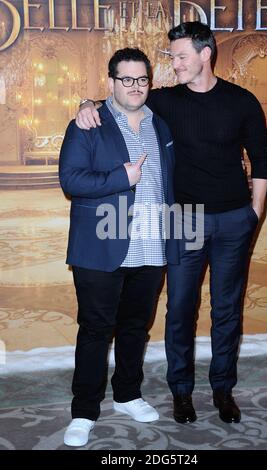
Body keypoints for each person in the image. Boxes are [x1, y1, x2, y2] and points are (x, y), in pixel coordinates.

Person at [76, 22, 267, 425]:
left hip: (234, 220)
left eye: (180, 56)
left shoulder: (242, 101)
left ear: (205, 54)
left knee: (227, 309)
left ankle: (222, 388)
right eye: (171, 57)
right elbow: (118, 101)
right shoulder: (164, 101)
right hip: (185, 221)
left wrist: (254, 213)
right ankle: (181, 391)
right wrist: (85, 103)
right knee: (180, 308)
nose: (174, 64)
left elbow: (262, 162)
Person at [59, 47, 178, 447]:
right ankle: (84, 411)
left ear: (150, 81)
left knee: (134, 328)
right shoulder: (87, 123)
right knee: (95, 329)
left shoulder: (160, 126)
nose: (135, 87)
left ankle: (127, 394)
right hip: (101, 246)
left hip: (151, 245)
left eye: (142, 79)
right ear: (110, 82)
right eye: (126, 79)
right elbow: (71, 181)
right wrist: (120, 177)